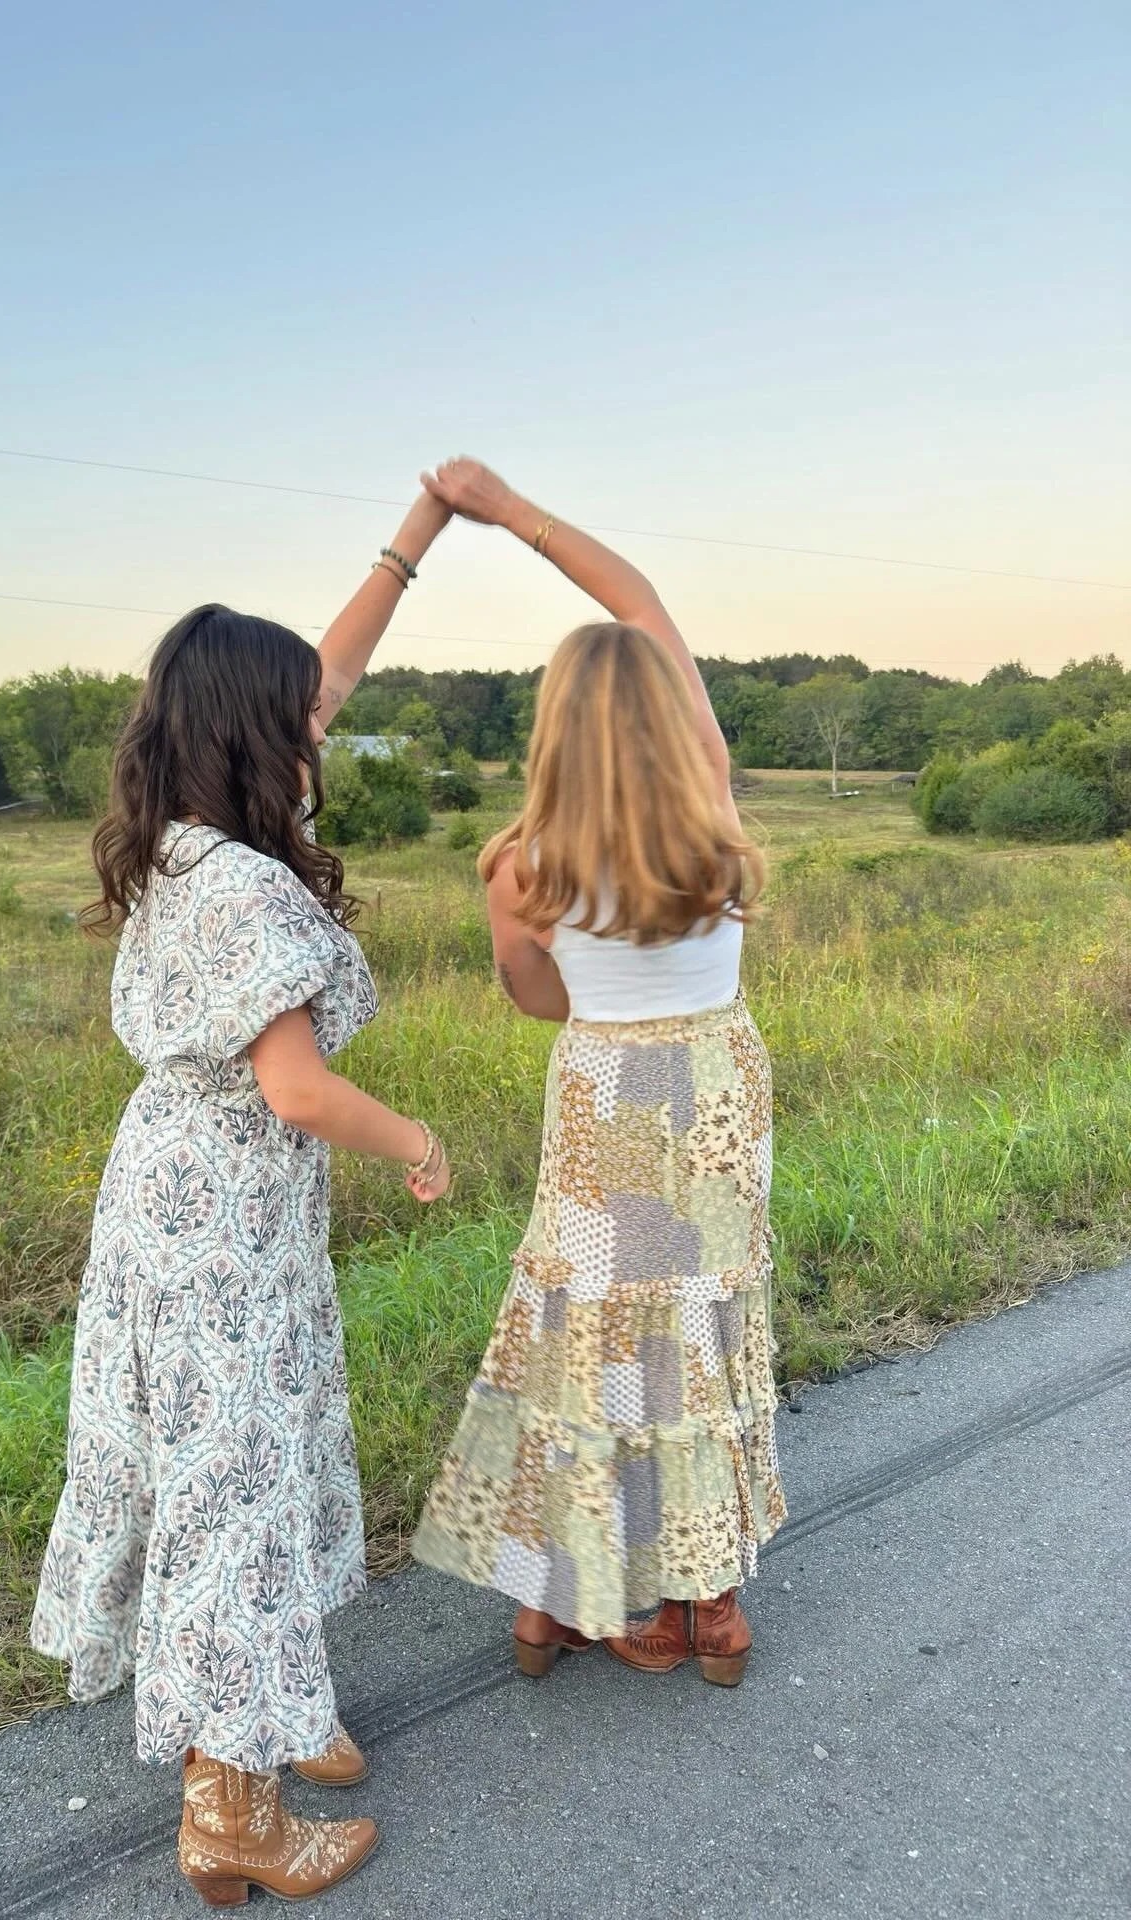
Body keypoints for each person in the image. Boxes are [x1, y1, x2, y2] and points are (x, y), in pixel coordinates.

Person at [30, 490, 453, 1908]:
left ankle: (277, 1709)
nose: (320, 736)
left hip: (170, 1192)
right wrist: (415, 1139)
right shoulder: (255, 893)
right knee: (234, 1478)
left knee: (238, 1450)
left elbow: (331, 673)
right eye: (302, 722)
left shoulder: (178, 850)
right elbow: (298, 1090)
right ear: (260, 736)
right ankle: (232, 1811)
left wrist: (415, 537)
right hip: (226, 1211)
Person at [412, 458, 787, 1688]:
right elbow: (639, 600)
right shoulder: (714, 811)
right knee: (698, 1323)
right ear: (674, 716)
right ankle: (707, 1610)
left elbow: (539, 1000)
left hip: (602, 1091)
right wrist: (515, 512)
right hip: (716, 1083)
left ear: (552, 729)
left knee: (592, 1335)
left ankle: (560, 1604)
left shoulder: (520, 864)